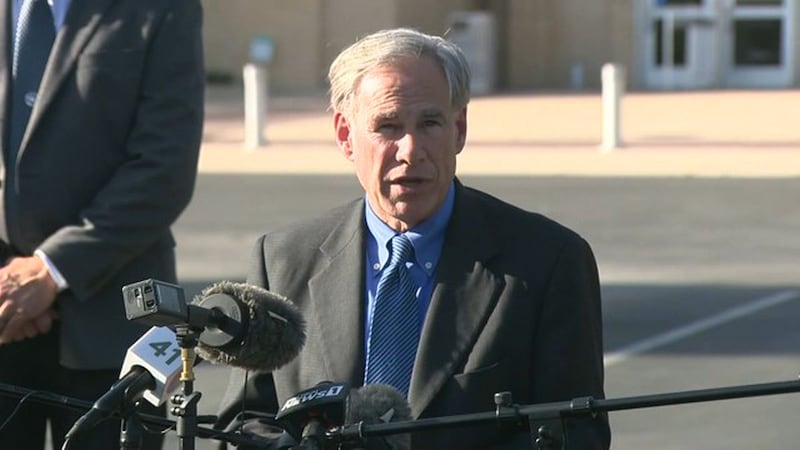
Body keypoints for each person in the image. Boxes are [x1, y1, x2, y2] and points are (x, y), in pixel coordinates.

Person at [215, 28, 609, 449]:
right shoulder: (282, 260)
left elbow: (575, 433)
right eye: (387, 126)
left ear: (459, 129)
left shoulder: (547, 261)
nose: (410, 149)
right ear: (346, 136)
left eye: (430, 123)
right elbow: (245, 426)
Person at [0, 0, 204, 449]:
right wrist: (8, 283)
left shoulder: (163, 9)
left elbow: (163, 169)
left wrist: (51, 270)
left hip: (114, 327)